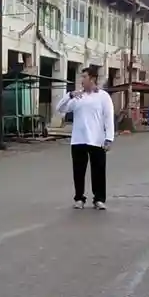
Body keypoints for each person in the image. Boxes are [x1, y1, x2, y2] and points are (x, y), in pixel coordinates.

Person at [56, 66, 114, 211]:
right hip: (78, 140)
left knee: (99, 171)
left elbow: (108, 118)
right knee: (78, 171)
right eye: (81, 77)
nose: (81, 80)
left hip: (97, 140)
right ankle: (79, 198)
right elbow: (60, 109)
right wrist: (69, 95)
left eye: (84, 77)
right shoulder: (78, 97)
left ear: (92, 79)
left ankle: (99, 199)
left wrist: (109, 138)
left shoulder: (103, 96)